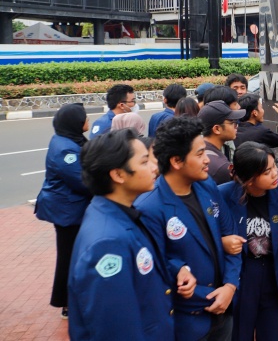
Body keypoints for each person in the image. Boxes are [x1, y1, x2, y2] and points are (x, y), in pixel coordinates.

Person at [68, 128, 196, 340]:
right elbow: (115, 328)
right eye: (145, 162)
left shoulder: (119, 212)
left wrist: (175, 269)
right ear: (118, 174)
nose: (154, 167)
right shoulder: (107, 243)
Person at [135, 117, 242, 341]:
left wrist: (230, 286)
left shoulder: (206, 185)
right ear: (176, 161)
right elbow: (157, 268)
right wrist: (214, 296)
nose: (207, 160)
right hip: (189, 321)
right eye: (200, 154)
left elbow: (231, 238)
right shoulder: (149, 208)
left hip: (224, 311)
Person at [218, 142, 278, 341]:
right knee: (239, 331)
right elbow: (206, 234)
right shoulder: (223, 195)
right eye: (267, 171)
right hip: (243, 272)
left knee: (274, 333)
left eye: (274, 166)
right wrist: (222, 241)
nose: (275, 173)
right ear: (249, 179)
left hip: (274, 272)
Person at [35, 103, 92, 319]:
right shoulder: (66, 148)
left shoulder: (68, 140)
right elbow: (82, 181)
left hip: (71, 208)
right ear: (75, 123)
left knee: (73, 256)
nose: (87, 121)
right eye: (84, 118)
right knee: (69, 257)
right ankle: (67, 303)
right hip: (68, 212)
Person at [198, 100, 246, 185]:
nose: (236, 126)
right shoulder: (221, 167)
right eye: (232, 123)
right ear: (217, 129)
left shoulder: (200, 150)